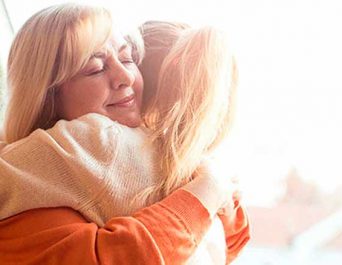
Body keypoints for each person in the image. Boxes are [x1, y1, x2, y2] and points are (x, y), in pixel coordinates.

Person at [0, 4, 249, 265]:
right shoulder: (84, 142)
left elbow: (233, 236)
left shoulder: (160, 148)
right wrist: (208, 190)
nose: (125, 77)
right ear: (47, 95)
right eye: (96, 69)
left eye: (128, 59)